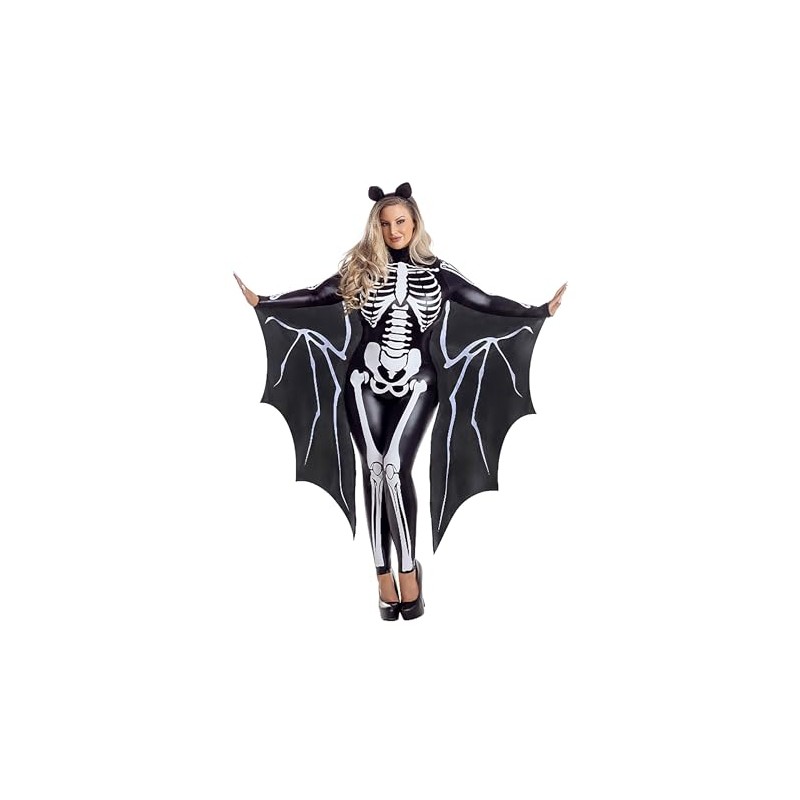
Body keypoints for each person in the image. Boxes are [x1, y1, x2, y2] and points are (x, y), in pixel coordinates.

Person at [234, 183, 566, 621]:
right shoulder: (363, 269)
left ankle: (408, 569)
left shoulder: (438, 272)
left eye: (401, 222)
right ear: (377, 227)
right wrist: (263, 301)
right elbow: (318, 295)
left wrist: (538, 310)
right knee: (374, 472)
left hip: (418, 383)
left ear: (414, 223)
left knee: (394, 469)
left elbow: (483, 300)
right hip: (363, 379)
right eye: (386, 223)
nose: (394, 230)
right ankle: (381, 576)